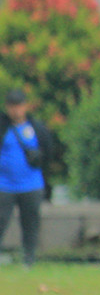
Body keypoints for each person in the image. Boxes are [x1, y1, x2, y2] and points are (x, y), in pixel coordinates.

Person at [0, 89, 52, 268]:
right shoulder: (3, 126)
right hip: (4, 185)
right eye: (12, 106)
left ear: (25, 106)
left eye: (19, 106)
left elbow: (49, 150)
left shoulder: (36, 127)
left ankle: (28, 259)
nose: (15, 111)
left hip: (31, 184)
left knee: (30, 223)